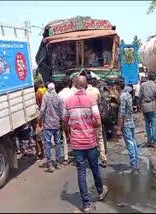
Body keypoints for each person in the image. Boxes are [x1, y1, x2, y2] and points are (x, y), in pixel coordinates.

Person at [62, 75, 108, 212]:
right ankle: (100, 192)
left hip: (76, 144)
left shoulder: (68, 101)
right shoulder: (90, 100)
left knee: (81, 172)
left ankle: (86, 204)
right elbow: (98, 122)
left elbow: (64, 123)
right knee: (95, 168)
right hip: (90, 141)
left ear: (75, 85)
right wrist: (89, 124)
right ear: (86, 85)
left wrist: (68, 135)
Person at [115, 76, 139, 174]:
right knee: (133, 143)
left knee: (130, 144)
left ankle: (133, 166)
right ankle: (136, 163)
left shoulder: (122, 96)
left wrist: (119, 128)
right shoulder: (128, 94)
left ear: (117, 86)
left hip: (126, 124)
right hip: (131, 122)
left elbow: (121, 114)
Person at [39, 82, 64, 172]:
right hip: (57, 124)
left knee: (47, 144)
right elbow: (62, 112)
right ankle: (58, 163)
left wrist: (40, 119)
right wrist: (62, 122)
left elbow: (42, 110)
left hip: (48, 124)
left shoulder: (45, 97)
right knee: (57, 143)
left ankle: (49, 164)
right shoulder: (59, 98)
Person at [85, 74, 107, 168]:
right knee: (100, 138)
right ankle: (103, 159)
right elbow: (99, 102)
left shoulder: (84, 92)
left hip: (87, 118)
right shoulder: (96, 90)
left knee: (90, 139)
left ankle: (92, 160)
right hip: (96, 115)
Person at [138, 73, 156, 148]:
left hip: (145, 106)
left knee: (147, 124)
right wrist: (154, 101)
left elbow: (139, 97)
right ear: (154, 78)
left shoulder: (143, 85)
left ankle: (149, 140)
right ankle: (154, 141)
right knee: (154, 124)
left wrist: (139, 105)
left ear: (148, 78)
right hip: (152, 106)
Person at [58, 76, 74, 165]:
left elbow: (58, 108)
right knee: (74, 136)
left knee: (64, 137)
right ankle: (76, 153)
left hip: (64, 119)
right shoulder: (72, 93)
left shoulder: (59, 94)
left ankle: (66, 157)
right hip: (73, 117)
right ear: (69, 83)